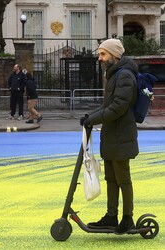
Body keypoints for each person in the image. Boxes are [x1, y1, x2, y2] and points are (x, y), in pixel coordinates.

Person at [80, 38, 139, 234]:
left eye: (103, 54)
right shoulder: (114, 74)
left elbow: (118, 107)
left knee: (123, 179)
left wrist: (94, 120)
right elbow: (108, 106)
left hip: (121, 135)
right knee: (111, 179)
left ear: (114, 55)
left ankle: (127, 218)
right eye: (100, 54)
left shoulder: (125, 75)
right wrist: (90, 117)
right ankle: (111, 216)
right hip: (113, 135)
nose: (100, 58)